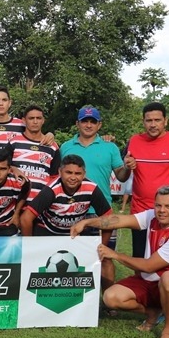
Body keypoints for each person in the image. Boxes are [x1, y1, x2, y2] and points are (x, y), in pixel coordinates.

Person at [71, 186, 169, 338]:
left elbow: (149, 266)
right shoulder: (152, 216)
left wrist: (115, 255)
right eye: (158, 205)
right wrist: (87, 222)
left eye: (168, 206)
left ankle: (168, 333)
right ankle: (153, 312)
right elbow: (119, 220)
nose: (162, 210)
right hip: (150, 282)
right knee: (110, 297)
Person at [61, 106, 132, 288]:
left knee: (105, 257)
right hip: (72, 210)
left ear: (99, 125)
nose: (88, 125)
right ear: (77, 123)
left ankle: (108, 301)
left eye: (93, 121)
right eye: (85, 121)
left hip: (102, 212)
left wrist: (127, 167)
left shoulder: (110, 147)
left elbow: (121, 176)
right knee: (71, 256)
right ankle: (77, 298)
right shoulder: (66, 146)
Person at [125, 102, 169, 257]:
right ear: (143, 121)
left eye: (157, 120)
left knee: (166, 262)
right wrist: (128, 164)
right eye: (149, 120)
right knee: (139, 258)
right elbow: (125, 170)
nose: (153, 124)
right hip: (140, 212)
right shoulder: (134, 141)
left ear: (166, 121)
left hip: (167, 212)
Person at [20, 154, 112, 241]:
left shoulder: (91, 189)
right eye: (69, 172)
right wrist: (29, 246)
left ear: (84, 174)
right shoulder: (51, 190)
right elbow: (26, 218)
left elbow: (109, 218)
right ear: (60, 172)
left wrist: (103, 247)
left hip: (74, 234)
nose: (73, 177)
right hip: (47, 231)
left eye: (78, 173)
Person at [9, 105, 60, 201]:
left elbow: (55, 177)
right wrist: (13, 168)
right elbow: (3, 166)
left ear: (43, 120)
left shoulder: (53, 146)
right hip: (15, 200)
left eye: (38, 118)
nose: (35, 121)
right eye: (31, 118)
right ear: (24, 120)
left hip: (40, 203)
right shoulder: (14, 142)